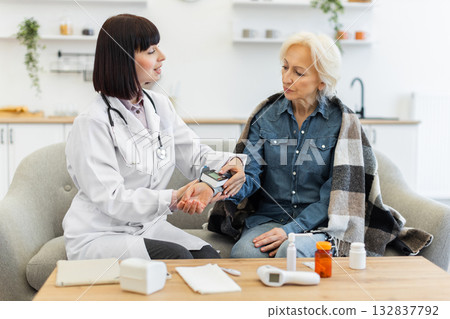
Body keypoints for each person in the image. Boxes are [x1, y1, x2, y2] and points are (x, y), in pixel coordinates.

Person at [62, 14, 246, 261]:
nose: (162, 56)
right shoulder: (92, 122)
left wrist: (232, 163)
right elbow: (112, 199)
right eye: (151, 51)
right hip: (101, 233)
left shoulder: (159, 104)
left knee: (207, 256)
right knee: (177, 257)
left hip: (148, 227)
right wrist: (174, 197)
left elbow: (196, 157)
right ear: (124, 59)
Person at [226, 32, 343, 258]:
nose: (287, 78)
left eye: (299, 73)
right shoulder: (266, 115)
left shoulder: (341, 122)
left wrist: (291, 230)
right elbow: (250, 175)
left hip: (320, 225)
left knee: (290, 251)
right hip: (269, 219)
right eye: (285, 67)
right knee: (244, 254)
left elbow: (336, 196)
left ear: (322, 81)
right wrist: (229, 185)